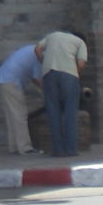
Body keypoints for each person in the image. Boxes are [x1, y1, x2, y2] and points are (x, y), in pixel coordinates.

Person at [35, 29, 88, 157]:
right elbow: (81, 63)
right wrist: (75, 74)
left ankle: (57, 150)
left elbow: (37, 49)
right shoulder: (80, 42)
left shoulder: (52, 35)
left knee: (53, 112)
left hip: (48, 74)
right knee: (70, 112)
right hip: (69, 75)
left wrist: (43, 62)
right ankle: (71, 150)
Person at [0, 42, 44, 155]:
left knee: (12, 115)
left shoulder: (31, 50)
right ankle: (25, 148)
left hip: (4, 79)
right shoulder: (37, 57)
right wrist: (46, 90)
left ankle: (14, 146)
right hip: (11, 81)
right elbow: (36, 79)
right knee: (20, 115)